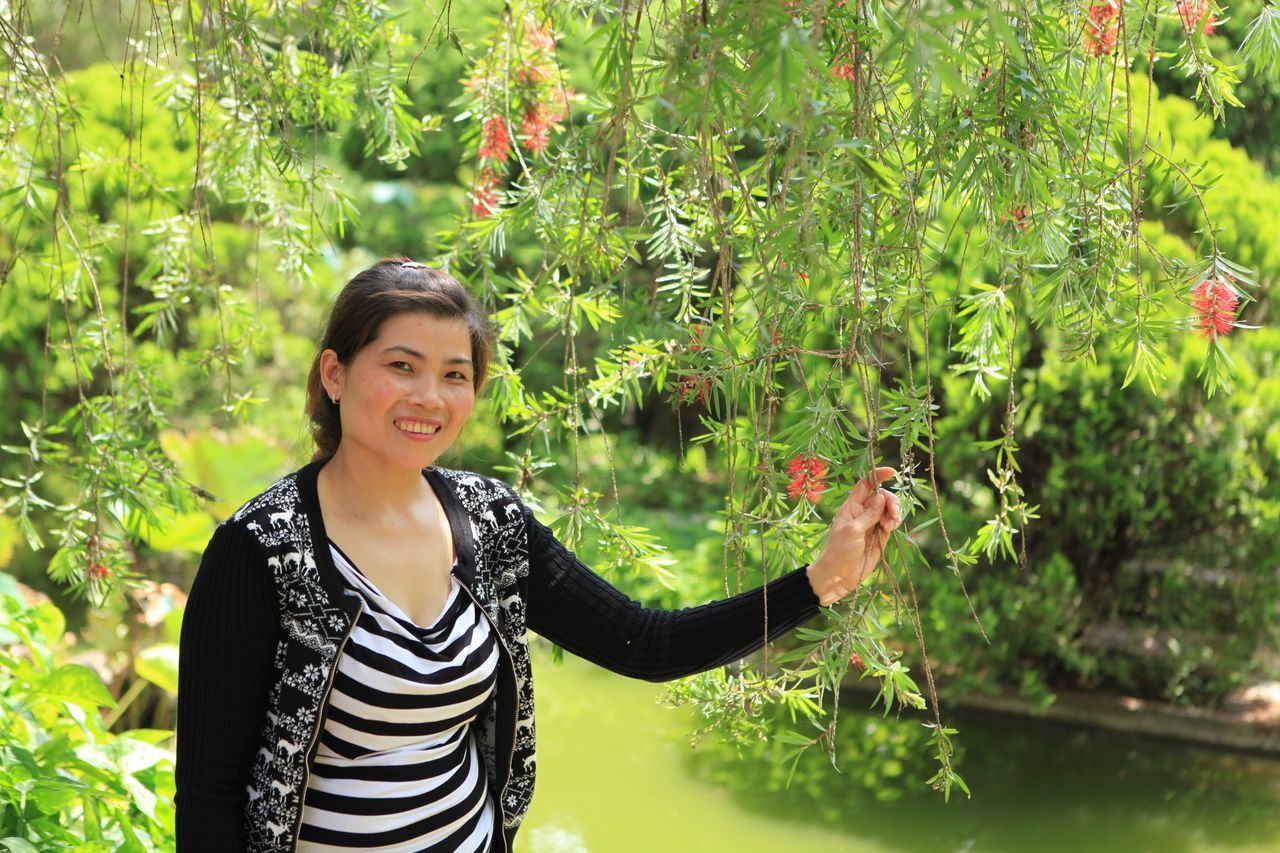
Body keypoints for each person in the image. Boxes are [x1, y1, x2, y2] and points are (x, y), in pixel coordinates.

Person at [175, 257, 902, 853]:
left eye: (455, 374)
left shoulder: (491, 522)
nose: (429, 395)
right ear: (335, 375)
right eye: (402, 364)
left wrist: (821, 580)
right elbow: (208, 793)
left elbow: (643, 641)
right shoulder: (260, 548)